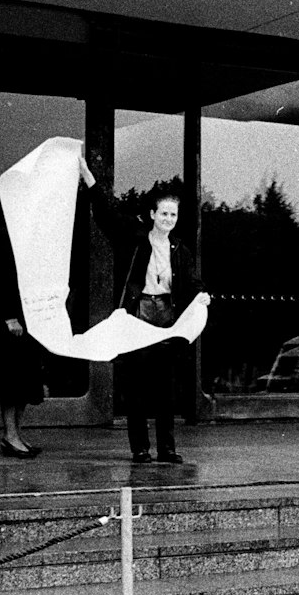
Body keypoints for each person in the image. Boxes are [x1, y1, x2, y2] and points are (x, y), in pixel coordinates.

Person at [79, 158, 209, 464]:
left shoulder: (180, 249)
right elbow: (108, 214)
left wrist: (202, 294)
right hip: (138, 316)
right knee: (135, 385)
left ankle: (167, 448)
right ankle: (140, 448)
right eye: (163, 213)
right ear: (152, 214)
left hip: (166, 319)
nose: (168, 218)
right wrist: (88, 177)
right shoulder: (134, 239)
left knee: (166, 388)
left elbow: (192, 281)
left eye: (172, 214)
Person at [0, 182, 48, 458]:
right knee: (11, 379)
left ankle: (17, 434)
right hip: (10, 319)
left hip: (29, 317)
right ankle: (10, 434)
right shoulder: (5, 235)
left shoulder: (29, 235)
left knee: (26, 379)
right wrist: (9, 317)